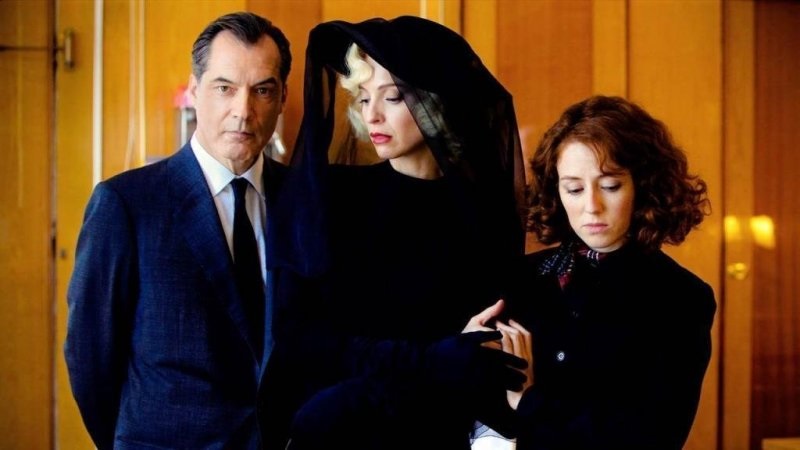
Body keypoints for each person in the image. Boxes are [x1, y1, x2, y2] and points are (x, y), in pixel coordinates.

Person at [265, 16, 529, 450]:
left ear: (436, 103)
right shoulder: (333, 198)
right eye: (364, 97)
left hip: (436, 434)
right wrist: (432, 360)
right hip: (338, 432)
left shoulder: (481, 214)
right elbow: (300, 339)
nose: (372, 114)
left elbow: (485, 358)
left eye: (392, 97)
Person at [64, 12, 291, 449]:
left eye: (262, 90)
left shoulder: (302, 199)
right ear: (195, 91)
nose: (243, 111)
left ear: (282, 99)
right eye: (224, 88)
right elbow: (90, 356)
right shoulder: (127, 204)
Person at [480, 95, 716, 449]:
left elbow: (650, 438)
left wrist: (529, 401)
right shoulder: (521, 277)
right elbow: (477, 403)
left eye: (610, 186)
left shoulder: (682, 298)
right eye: (574, 189)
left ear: (643, 186)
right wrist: (467, 352)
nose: (591, 206)